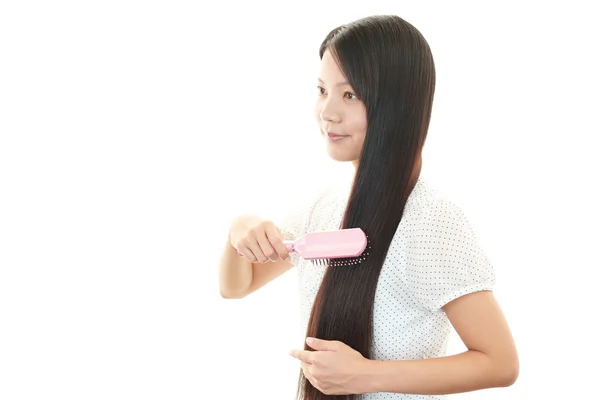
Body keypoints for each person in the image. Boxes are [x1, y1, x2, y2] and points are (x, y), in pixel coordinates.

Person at [218, 14, 519, 400]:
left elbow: (499, 362)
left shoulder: (430, 220)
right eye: (322, 90)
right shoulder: (322, 205)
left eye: (350, 94)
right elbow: (235, 286)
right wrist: (239, 228)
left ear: (397, 105)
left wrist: (366, 376)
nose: (327, 111)